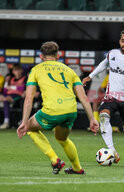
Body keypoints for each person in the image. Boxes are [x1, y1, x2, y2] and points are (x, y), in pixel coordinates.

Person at [17, 41, 99, 175]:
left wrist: (24, 122)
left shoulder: (36, 70)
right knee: (62, 139)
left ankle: (55, 160)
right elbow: (83, 97)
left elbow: (29, 98)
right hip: (70, 111)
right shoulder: (69, 70)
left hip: (52, 110)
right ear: (58, 55)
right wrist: (92, 119)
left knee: (30, 129)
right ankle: (77, 168)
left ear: (41, 57)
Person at [82, 29, 124, 165]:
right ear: (120, 41)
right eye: (123, 41)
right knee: (103, 116)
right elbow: (104, 64)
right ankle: (112, 150)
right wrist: (90, 76)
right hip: (111, 96)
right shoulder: (112, 53)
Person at [0, 64, 26, 129]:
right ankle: (6, 121)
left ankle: (6, 122)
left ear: (21, 71)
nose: (17, 72)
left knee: (6, 100)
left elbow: (22, 88)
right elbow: (5, 91)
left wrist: (11, 87)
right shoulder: (11, 79)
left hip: (18, 96)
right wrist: (6, 82)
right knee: (4, 99)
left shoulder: (24, 78)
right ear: (13, 72)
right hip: (8, 95)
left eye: (18, 70)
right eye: (15, 70)